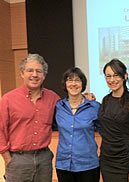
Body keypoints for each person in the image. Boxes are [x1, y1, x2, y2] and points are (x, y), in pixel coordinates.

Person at [0, 54, 60, 182]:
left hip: (44, 160)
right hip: (18, 160)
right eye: (30, 70)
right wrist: (7, 159)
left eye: (39, 71)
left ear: (44, 75)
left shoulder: (53, 98)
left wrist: (85, 97)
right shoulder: (8, 99)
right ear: (22, 73)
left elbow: (70, 109)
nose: (34, 74)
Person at [99, 58, 129, 182]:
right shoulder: (105, 100)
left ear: (125, 76)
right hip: (106, 160)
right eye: (108, 76)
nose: (112, 80)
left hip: (125, 161)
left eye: (116, 75)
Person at [54, 67, 100, 182]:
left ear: (83, 84)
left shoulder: (94, 107)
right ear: (65, 84)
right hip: (63, 164)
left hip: (88, 165)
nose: (73, 84)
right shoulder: (58, 106)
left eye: (77, 80)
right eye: (70, 80)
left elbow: (106, 130)